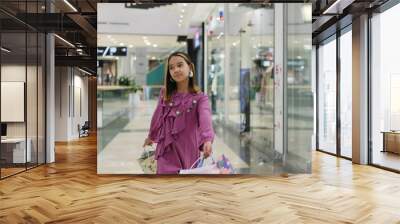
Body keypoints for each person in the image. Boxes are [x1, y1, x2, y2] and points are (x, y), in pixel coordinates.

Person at [143, 52, 215, 174]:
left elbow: (205, 119)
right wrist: (151, 136)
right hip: (166, 150)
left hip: (188, 151)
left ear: (190, 67)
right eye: (171, 67)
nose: (176, 70)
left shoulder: (200, 98)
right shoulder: (165, 93)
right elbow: (157, 116)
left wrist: (207, 139)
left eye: (180, 65)